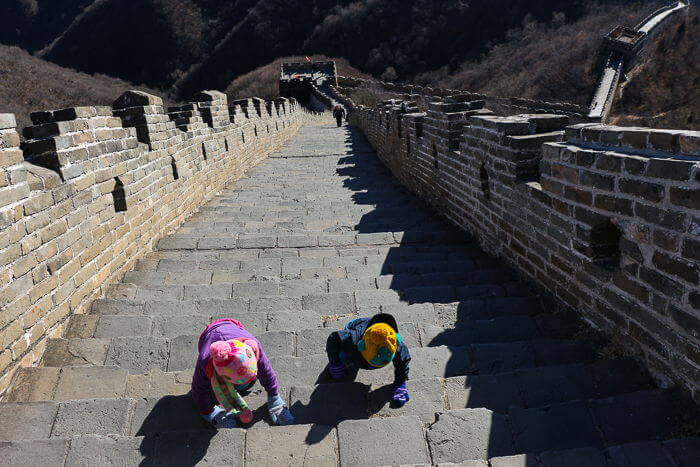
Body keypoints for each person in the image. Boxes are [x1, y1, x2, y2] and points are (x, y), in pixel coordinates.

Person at [192, 318, 295, 428]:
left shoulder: (252, 347)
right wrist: (209, 412)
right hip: (208, 337)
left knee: (244, 385)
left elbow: (266, 371)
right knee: (211, 388)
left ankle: (242, 382)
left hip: (232, 326)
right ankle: (233, 383)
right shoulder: (205, 361)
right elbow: (198, 389)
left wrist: (274, 396)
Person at [326, 313, 411, 407]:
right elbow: (333, 338)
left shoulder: (394, 343)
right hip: (356, 327)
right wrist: (335, 364)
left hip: (372, 332)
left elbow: (403, 361)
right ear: (361, 345)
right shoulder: (352, 339)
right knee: (343, 355)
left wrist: (400, 383)